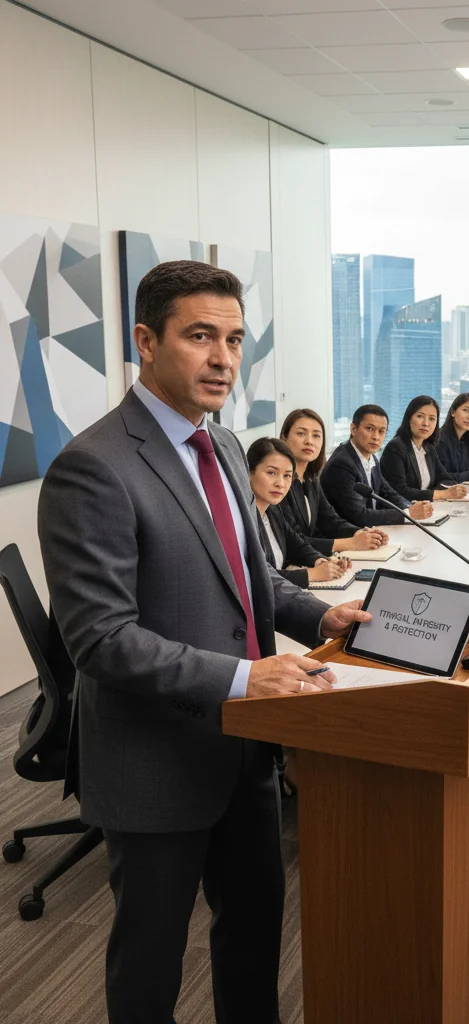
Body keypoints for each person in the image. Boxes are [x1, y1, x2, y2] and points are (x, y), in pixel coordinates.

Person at [36, 260, 371, 1023]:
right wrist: (243, 679)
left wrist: (321, 617)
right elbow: (102, 640)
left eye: (234, 339)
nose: (224, 358)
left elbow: (250, 580)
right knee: (151, 964)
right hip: (157, 759)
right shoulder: (93, 467)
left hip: (246, 748)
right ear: (145, 342)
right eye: (200, 337)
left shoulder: (222, 445)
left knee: (252, 937)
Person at [279, 407, 389, 555]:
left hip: (312, 558)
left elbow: (330, 520)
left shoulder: (311, 479)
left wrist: (363, 533)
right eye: (301, 433)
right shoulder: (279, 483)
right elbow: (292, 540)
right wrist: (350, 543)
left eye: (316, 436)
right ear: (284, 437)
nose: (309, 441)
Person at [247, 436, 352, 589]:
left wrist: (320, 560)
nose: (280, 483)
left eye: (287, 476)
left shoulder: (273, 510)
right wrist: (312, 574)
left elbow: (296, 544)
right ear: (249, 472)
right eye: (271, 473)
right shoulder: (241, 518)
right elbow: (257, 576)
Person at [320, 404, 434, 527]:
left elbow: (388, 493)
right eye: (369, 429)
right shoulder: (341, 464)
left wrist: (412, 507)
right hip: (349, 537)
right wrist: (408, 513)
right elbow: (359, 516)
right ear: (353, 429)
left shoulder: (371, 457)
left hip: (370, 532)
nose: (376, 437)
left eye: (381, 431)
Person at [380, 395, 469, 503]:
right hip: (403, 513)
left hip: (427, 509)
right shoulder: (396, 448)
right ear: (409, 418)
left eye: (432, 419)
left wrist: (434, 495)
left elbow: (447, 479)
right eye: (420, 416)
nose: (426, 423)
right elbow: (400, 491)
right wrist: (441, 494)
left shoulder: (428, 448)